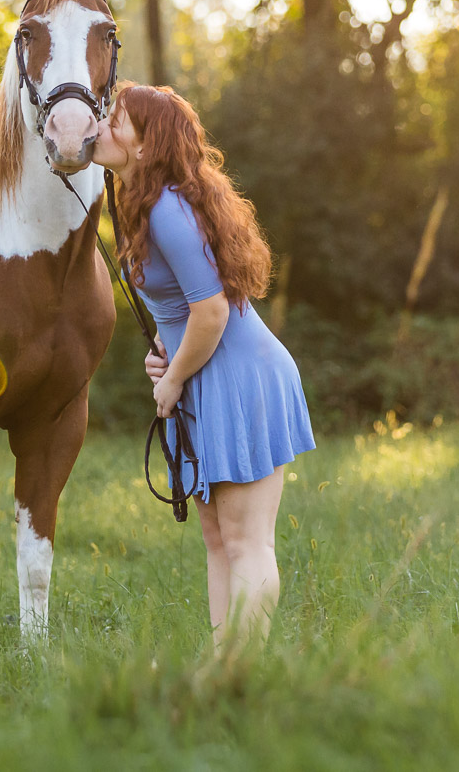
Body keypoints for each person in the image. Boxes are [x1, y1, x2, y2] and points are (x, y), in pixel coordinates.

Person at [92, 83, 316, 654]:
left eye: (115, 119)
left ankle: (244, 670)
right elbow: (187, 312)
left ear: (145, 146)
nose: (102, 126)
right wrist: (166, 354)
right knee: (219, 538)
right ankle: (224, 668)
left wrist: (171, 379)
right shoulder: (144, 205)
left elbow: (212, 309)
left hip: (239, 376)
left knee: (246, 541)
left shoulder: (166, 206)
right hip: (203, 375)